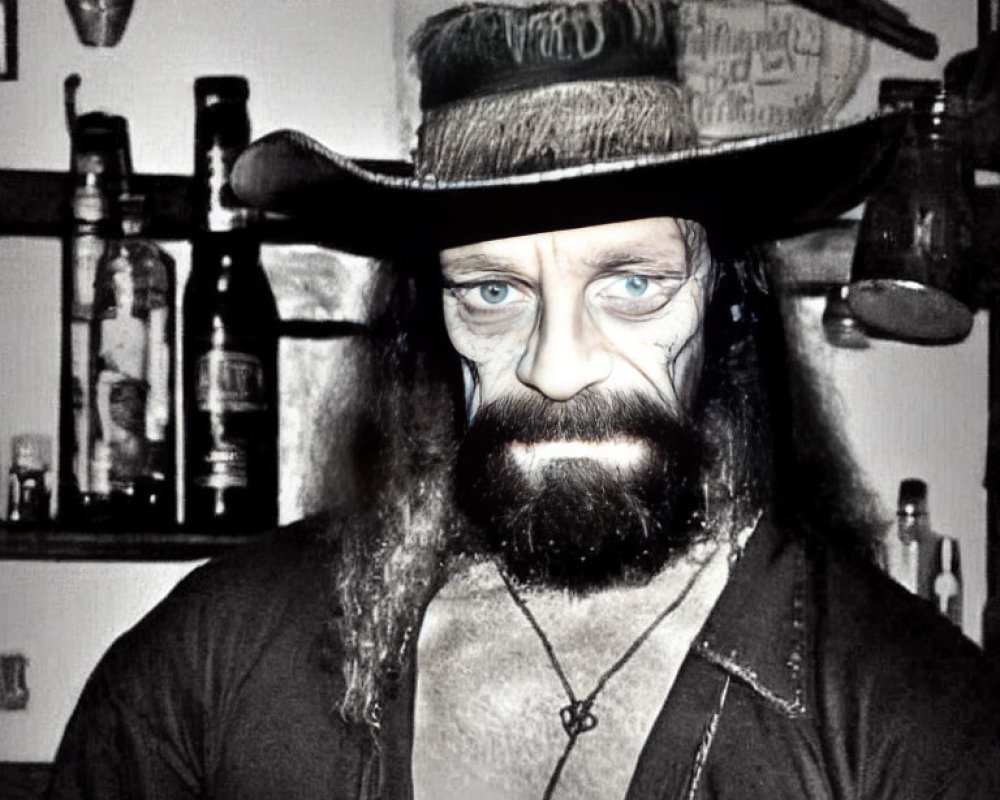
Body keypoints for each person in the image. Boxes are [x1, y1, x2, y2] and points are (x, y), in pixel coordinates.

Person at [48, 1, 1000, 798]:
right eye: (491, 292)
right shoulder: (218, 666)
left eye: (632, 283)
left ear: (725, 299)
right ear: (432, 316)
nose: (555, 366)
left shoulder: (910, 722)